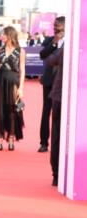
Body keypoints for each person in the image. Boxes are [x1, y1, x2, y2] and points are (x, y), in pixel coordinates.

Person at [0, 26, 25, 151]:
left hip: (13, 82)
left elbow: (22, 70)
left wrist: (21, 88)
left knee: (12, 111)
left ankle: (11, 137)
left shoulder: (20, 51)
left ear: (9, 36)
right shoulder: (0, 50)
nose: (1, 36)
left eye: (3, 34)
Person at [38, 17, 65, 153]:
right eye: (54, 26)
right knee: (46, 111)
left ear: (65, 27)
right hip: (49, 80)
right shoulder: (50, 40)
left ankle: (62, 142)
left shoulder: (72, 41)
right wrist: (54, 43)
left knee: (61, 112)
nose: (55, 29)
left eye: (57, 26)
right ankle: (44, 142)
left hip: (63, 82)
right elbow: (42, 55)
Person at [47, 33, 65, 187]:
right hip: (66, 99)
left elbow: (51, 60)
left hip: (60, 98)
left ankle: (57, 174)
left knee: (57, 136)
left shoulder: (64, 51)